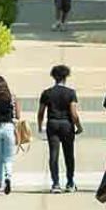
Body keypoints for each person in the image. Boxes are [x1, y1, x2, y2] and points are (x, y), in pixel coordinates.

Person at [38, 63, 83, 193]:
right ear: (66, 77)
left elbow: (41, 112)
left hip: (52, 123)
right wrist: (78, 126)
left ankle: (56, 183)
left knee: (54, 154)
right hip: (67, 124)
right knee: (69, 154)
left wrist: (41, 125)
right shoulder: (70, 93)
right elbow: (73, 113)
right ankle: (70, 182)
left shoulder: (47, 93)